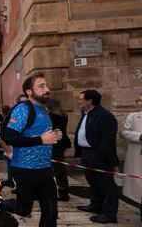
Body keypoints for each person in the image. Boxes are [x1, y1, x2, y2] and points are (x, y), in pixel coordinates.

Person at [0, 72, 62, 227]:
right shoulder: (24, 109)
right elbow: (9, 137)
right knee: (23, 209)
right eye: (41, 86)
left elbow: (39, 135)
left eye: (47, 85)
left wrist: (55, 135)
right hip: (25, 170)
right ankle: (1, 204)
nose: (47, 89)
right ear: (29, 91)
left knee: (51, 212)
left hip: (45, 169)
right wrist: (41, 139)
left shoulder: (44, 110)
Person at [75, 89, 119, 224]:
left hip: (99, 155)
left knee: (107, 185)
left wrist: (99, 155)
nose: (79, 101)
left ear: (90, 101)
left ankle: (110, 213)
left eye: (81, 99)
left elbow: (108, 139)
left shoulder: (104, 115)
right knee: (92, 181)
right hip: (86, 152)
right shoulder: (86, 113)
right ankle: (96, 204)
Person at [120, 93, 142, 222]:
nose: (140, 103)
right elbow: (124, 132)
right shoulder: (133, 117)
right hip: (138, 158)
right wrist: (139, 136)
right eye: (139, 101)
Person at [45, 99, 71, 201]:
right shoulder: (63, 116)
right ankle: (61, 189)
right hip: (61, 143)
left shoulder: (51, 117)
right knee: (58, 168)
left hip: (55, 144)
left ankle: (62, 191)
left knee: (57, 168)